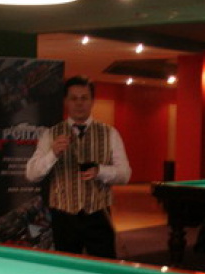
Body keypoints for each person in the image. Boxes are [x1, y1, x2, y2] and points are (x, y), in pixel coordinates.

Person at [26, 76, 131, 258]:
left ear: (92, 101)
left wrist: (101, 171)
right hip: (64, 217)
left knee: (103, 266)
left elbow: (125, 174)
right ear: (66, 101)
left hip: (98, 215)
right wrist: (53, 154)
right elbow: (31, 174)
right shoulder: (50, 135)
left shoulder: (110, 133)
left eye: (84, 98)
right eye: (74, 98)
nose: (79, 103)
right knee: (67, 268)